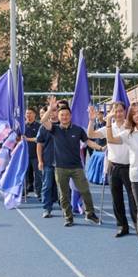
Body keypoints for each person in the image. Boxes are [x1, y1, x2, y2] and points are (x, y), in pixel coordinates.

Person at [89, 103, 138, 255]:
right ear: (131, 117)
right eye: (134, 113)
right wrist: (108, 120)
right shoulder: (128, 134)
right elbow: (110, 139)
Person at [39, 97, 102, 227]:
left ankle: (90, 213)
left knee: (85, 191)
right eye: (62, 115)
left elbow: (88, 142)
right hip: (60, 168)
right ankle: (68, 217)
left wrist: (100, 148)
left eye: (67, 114)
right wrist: (50, 108)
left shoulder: (78, 130)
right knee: (64, 195)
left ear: (71, 116)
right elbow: (43, 120)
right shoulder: (54, 129)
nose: (64, 117)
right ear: (59, 116)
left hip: (77, 167)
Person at [103, 102, 138, 237]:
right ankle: (122, 226)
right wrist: (91, 120)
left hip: (129, 166)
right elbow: (91, 134)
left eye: (120, 111)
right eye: (115, 111)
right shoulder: (108, 127)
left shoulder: (130, 127)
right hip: (114, 167)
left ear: (125, 112)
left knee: (133, 198)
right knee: (116, 198)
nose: (118, 114)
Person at [36, 106, 59, 219]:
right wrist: (40, 161)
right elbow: (39, 145)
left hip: (62, 163)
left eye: (55, 110)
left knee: (63, 187)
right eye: (51, 111)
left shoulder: (64, 125)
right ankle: (46, 208)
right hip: (48, 162)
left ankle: (65, 208)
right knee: (47, 186)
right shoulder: (43, 127)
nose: (53, 113)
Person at [23, 108, 42, 199]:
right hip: (24, 155)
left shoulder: (39, 126)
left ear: (35, 114)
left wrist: (27, 139)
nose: (28, 115)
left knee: (38, 174)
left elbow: (39, 139)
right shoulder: (22, 126)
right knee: (25, 174)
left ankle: (38, 192)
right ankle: (24, 191)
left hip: (36, 155)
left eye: (30, 113)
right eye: (27, 113)